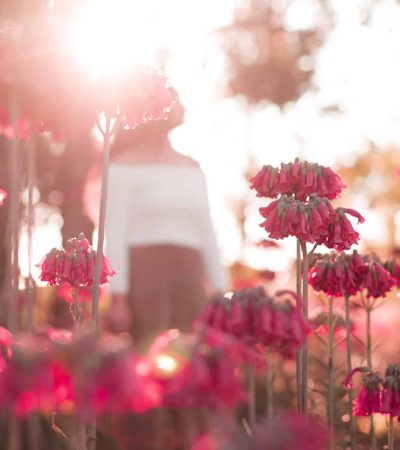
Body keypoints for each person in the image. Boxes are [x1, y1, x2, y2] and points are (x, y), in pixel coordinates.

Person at [104, 95, 228, 346]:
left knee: (193, 354)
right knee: (149, 352)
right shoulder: (120, 169)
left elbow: (207, 231)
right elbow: (114, 234)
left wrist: (220, 291)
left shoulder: (192, 168)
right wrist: (118, 298)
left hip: (190, 275)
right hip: (143, 276)